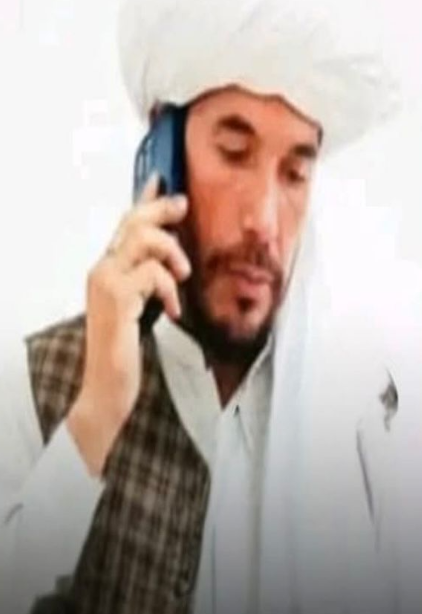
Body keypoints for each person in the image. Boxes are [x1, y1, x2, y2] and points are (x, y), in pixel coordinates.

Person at [1, 0, 421, 613]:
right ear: (162, 156)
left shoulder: (369, 422)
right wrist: (93, 420)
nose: (264, 222)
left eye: (294, 174)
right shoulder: (37, 383)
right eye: (234, 152)